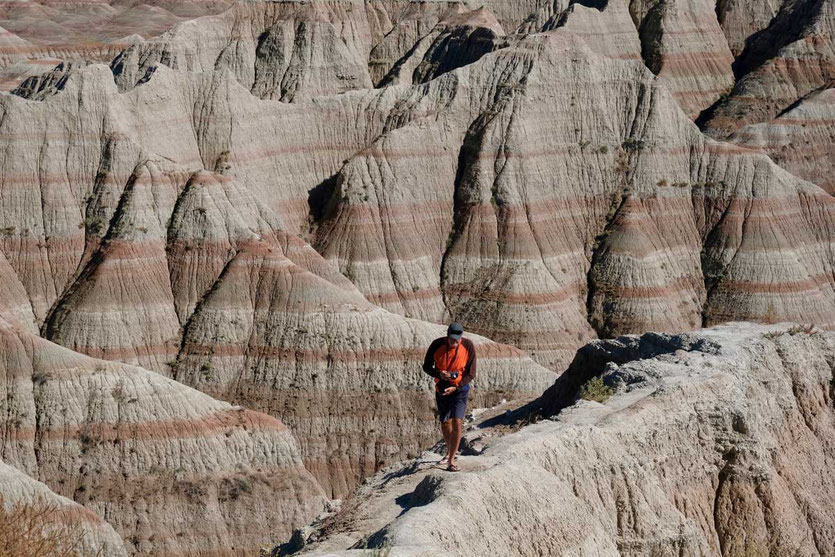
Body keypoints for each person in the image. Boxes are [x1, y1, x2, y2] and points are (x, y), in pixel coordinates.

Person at [422, 322, 476, 472]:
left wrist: (457, 386)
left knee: (457, 421)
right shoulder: (436, 345)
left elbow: (471, 373)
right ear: (447, 337)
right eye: (452, 339)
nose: (455, 342)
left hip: (460, 388)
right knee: (445, 422)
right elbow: (426, 366)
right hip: (442, 388)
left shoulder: (468, 346)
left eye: (457, 339)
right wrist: (439, 374)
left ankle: (451, 460)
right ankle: (449, 451)